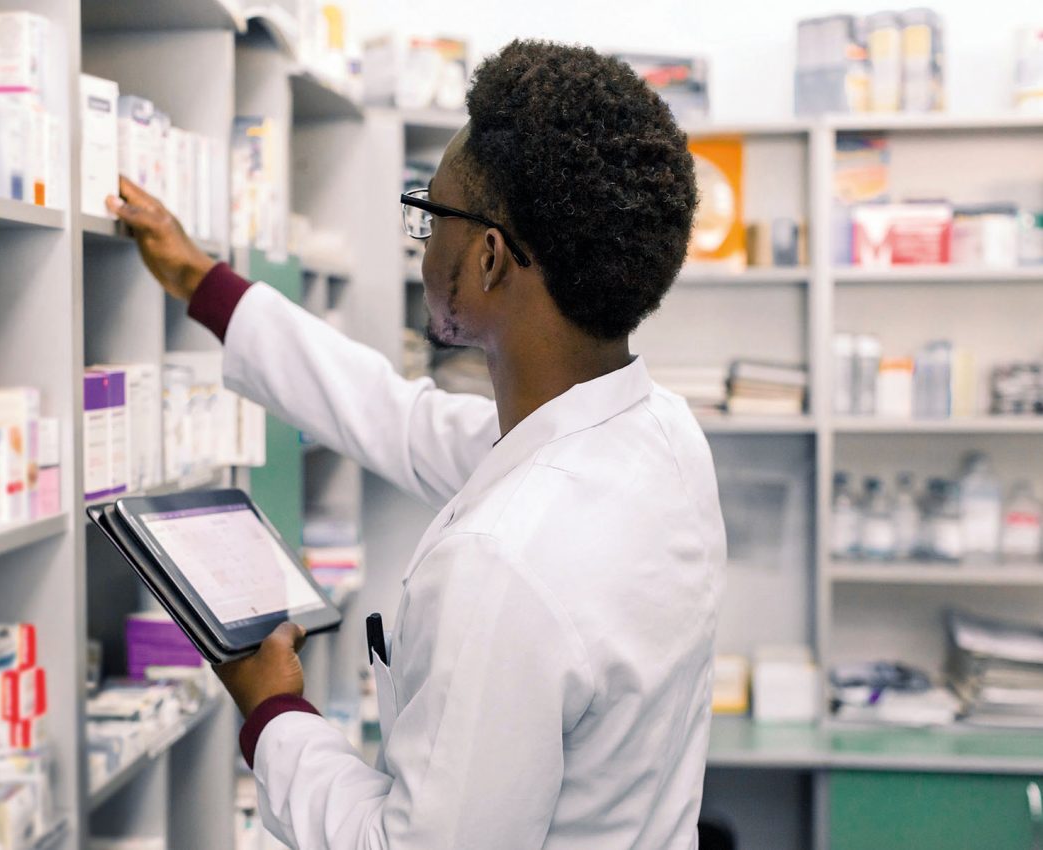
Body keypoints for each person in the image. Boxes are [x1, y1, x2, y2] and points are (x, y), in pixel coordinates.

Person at [108, 38, 724, 850]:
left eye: (428, 213)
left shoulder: (504, 559)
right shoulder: (657, 437)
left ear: (489, 259)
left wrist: (274, 711)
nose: (419, 239)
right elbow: (398, 418)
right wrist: (204, 283)